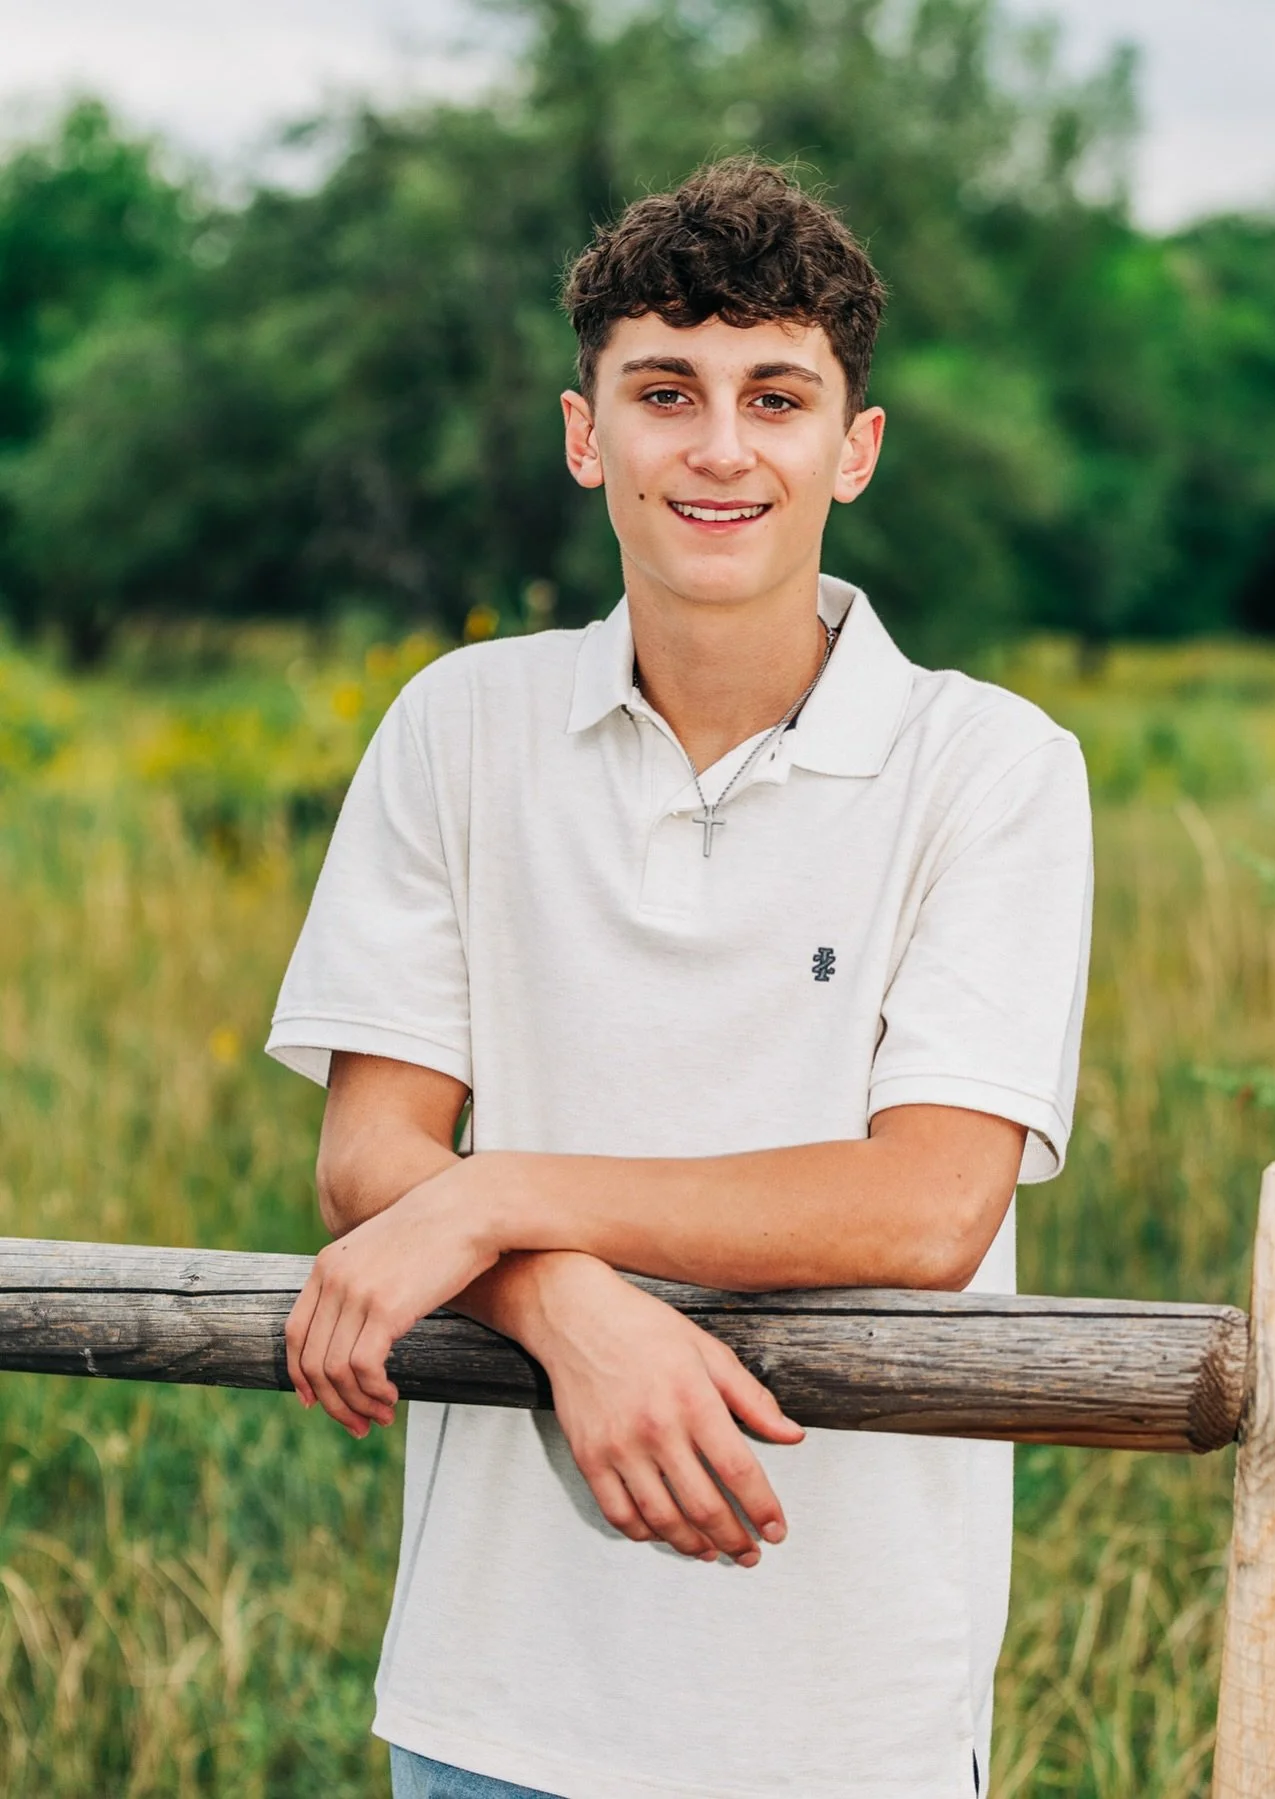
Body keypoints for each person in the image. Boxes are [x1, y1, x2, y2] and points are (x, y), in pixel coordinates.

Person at [266, 157, 1093, 1799]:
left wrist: (491, 1198)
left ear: (852, 448)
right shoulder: (458, 724)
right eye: (666, 391)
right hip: (490, 1702)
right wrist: (564, 1304)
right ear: (588, 436)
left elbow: (929, 1206)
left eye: (775, 396)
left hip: (842, 1722)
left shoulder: (988, 765)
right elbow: (373, 1157)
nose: (720, 447)